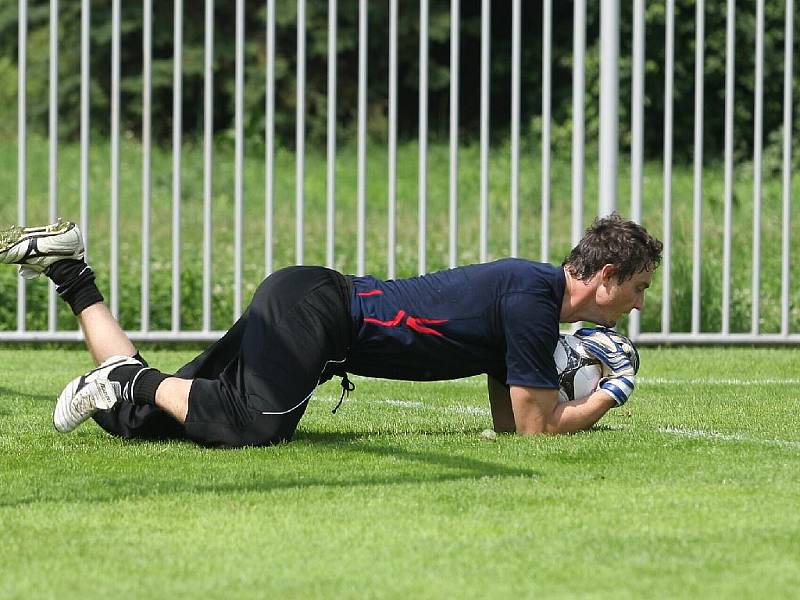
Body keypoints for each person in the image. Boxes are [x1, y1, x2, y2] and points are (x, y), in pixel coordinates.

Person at [0, 214, 662, 447]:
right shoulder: (532, 299)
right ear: (605, 277)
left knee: (140, 420)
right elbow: (537, 429)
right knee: (253, 424)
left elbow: (510, 422)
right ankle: (125, 376)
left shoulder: (530, 302)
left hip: (310, 308)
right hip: (317, 312)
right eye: (636, 290)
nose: (635, 307)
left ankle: (71, 273)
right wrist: (611, 393)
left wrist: (556, 384)